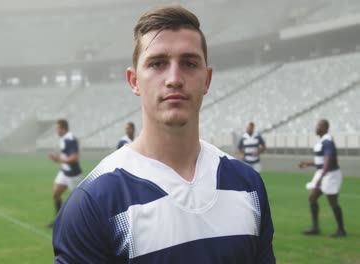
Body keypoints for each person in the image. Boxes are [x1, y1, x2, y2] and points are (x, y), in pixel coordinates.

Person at [52, 5, 275, 263]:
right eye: (157, 64)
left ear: (207, 79)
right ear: (134, 80)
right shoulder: (94, 203)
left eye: (189, 63)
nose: (174, 78)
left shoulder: (248, 186)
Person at [298, 119, 346, 237]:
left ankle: (341, 230)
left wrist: (321, 177)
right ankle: (315, 227)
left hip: (330, 175)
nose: (316, 128)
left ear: (325, 128)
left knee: (333, 201)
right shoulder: (323, 141)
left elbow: (328, 160)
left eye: (319, 126)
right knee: (312, 197)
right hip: (324, 173)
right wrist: (308, 164)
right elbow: (322, 161)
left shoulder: (327, 141)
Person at [46, 119, 83, 228]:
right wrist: (59, 158)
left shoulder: (69, 139)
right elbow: (67, 155)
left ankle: (83, 224)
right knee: (56, 194)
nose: (56, 131)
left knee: (78, 203)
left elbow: (75, 158)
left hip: (73, 174)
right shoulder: (64, 139)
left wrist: (59, 160)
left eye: (57, 128)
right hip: (65, 172)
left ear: (63, 128)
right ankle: (58, 220)